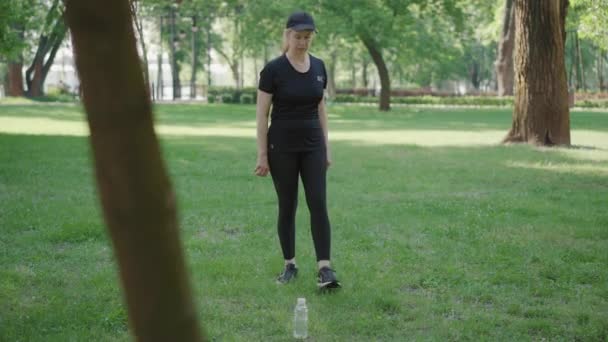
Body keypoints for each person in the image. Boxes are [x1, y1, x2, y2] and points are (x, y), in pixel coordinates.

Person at [254, 11, 341, 290]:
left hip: (313, 144)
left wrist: (327, 147)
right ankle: (290, 264)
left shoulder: (319, 67)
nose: (302, 42)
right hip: (281, 146)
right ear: (287, 35)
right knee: (288, 205)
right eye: (298, 37)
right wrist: (262, 154)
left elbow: (321, 109)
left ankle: (325, 269)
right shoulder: (273, 70)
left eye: (307, 37)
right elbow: (261, 115)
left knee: (318, 202)